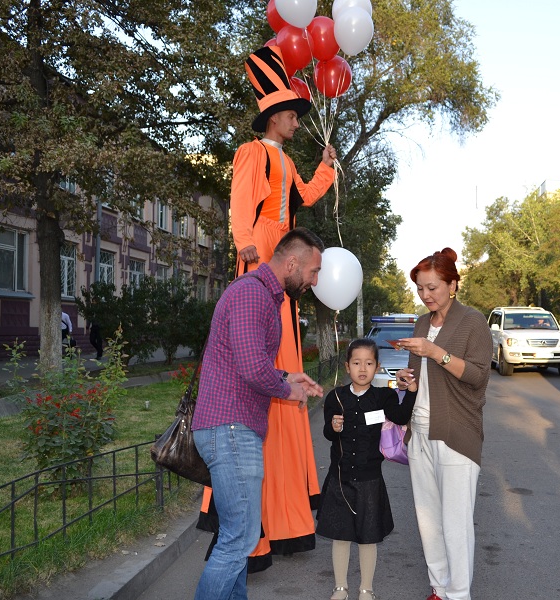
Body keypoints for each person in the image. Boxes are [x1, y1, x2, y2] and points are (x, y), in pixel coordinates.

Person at [201, 43, 338, 572]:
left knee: (282, 372)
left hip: (284, 261)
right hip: (262, 257)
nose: (295, 121)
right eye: (289, 113)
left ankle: (279, 517)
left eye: (297, 114)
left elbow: (302, 195)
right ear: (271, 116)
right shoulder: (252, 153)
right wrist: (245, 246)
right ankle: (249, 533)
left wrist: (325, 169)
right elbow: (240, 203)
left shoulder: (286, 159)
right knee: (258, 365)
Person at [191, 228, 326, 600]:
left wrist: (287, 376)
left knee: (241, 536)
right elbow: (252, 368)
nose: (315, 281)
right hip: (231, 429)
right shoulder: (253, 293)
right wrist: (287, 388)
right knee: (240, 539)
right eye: (313, 272)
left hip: (231, 427)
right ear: (292, 262)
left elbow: (245, 364)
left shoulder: (262, 294)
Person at [397, 248, 492, 600]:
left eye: (432, 288)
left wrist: (436, 353)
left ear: (452, 284)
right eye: (421, 289)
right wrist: (408, 381)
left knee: (455, 525)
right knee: (428, 521)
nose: (426, 296)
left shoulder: (472, 322)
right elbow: (422, 381)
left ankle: (459, 594)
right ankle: (438, 587)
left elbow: (478, 377)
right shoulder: (422, 323)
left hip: (456, 434)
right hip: (419, 432)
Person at [317, 339, 418, 600]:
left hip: (369, 479)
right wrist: (334, 427)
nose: (363, 368)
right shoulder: (336, 397)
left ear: (377, 367)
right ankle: (340, 587)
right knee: (340, 535)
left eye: (369, 363)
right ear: (347, 366)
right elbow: (328, 433)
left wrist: (412, 391)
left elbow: (400, 416)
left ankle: (366, 589)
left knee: (368, 536)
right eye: (357, 363)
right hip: (340, 478)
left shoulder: (383, 396)